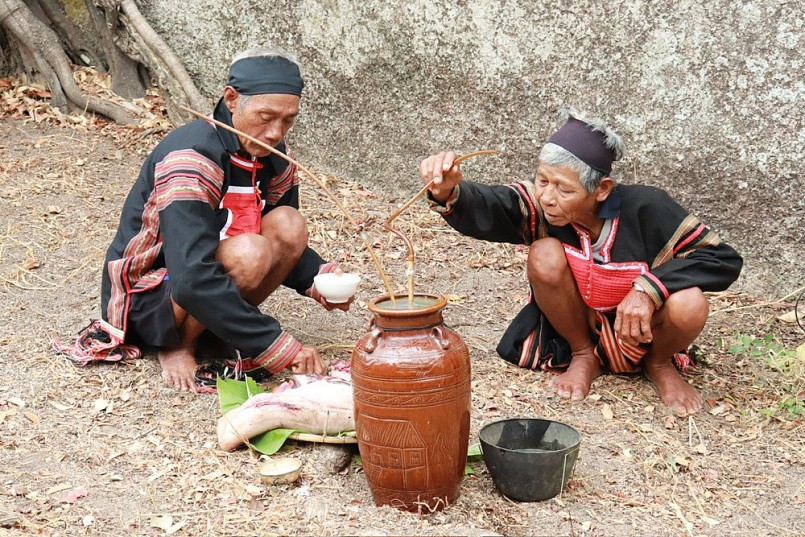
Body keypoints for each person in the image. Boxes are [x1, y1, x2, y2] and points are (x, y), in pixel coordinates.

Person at [58, 46, 354, 391]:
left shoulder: (274, 155)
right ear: (231, 99)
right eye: (266, 116)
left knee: (288, 221)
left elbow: (278, 233)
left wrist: (318, 279)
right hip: (151, 292)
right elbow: (192, 275)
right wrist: (277, 345)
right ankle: (177, 343)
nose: (276, 132)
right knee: (249, 252)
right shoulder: (192, 158)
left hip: (205, 278)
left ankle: (214, 328)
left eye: (288, 120)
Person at [419, 109, 743, 416]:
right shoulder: (542, 206)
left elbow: (722, 259)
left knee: (690, 302)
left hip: (647, 333)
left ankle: (659, 364)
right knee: (544, 253)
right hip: (585, 324)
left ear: (601, 189)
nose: (547, 196)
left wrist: (649, 289)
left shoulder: (648, 208)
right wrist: (449, 191)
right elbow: (492, 204)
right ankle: (583, 355)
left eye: (564, 188)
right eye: (543, 180)